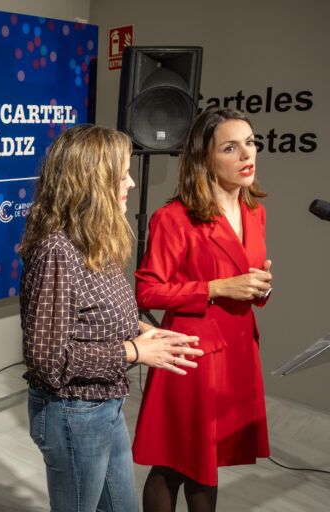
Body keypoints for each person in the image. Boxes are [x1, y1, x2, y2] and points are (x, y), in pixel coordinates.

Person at [19, 124, 203, 512]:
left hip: (106, 403)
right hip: (73, 413)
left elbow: (98, 308)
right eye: (122, 175)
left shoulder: (94, 237)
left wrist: (143, 330)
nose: (132, 183)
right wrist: (134, 351)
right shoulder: (56, 251)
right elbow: (49, 362)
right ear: (91, 182)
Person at [132, 108, 273, 512]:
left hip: (238, 351)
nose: (247, 154)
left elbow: (247, 282)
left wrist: (261, 288)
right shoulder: (173, 218)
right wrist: (215, 288)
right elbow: (148, 292)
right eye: (230, 147)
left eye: (250, 142)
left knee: (207, 463)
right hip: (192, 354)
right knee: (176, 464)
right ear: (204, 158)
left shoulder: (254, 212)